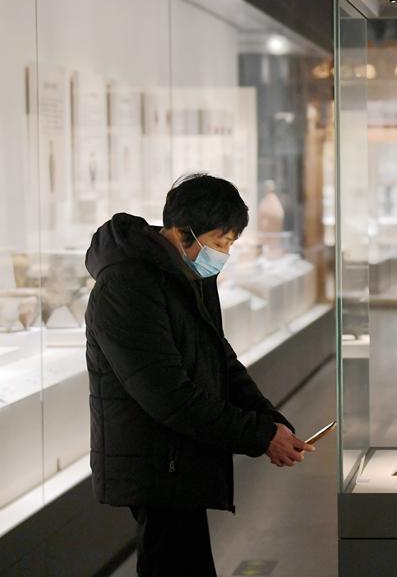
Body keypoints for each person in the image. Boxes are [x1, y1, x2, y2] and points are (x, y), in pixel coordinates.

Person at [84, 174, 314, 577]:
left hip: (182, 454)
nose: (223, 254)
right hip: (156, 461)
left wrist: (268, 419)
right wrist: (259, 435)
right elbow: (167, 396)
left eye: (230, 244)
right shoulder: (126, 286)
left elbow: (219, 358)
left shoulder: (190, 275)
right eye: (219, 242)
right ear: (181, 231)